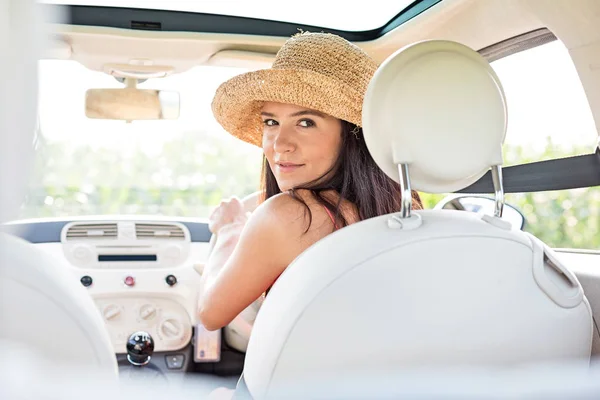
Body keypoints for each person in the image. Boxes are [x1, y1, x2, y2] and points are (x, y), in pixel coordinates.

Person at [198, 31, 422, 331]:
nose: (280, 144)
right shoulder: (403, 208)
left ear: (351, 135)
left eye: (306, 122)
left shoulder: (286, 217)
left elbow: (209, 314)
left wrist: (228, 230)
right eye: (271, 122)